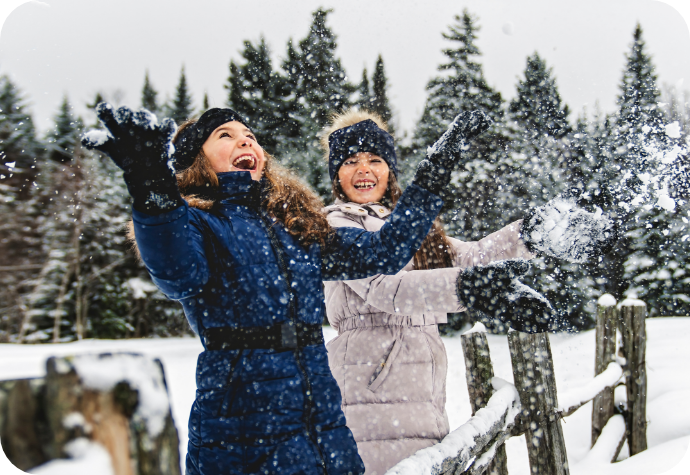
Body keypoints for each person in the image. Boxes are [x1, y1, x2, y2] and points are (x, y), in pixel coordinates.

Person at [80, 103, 495, 475]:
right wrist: (150, 184)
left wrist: (436, 170)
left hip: (323, 424)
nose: (245, 141)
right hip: (243, 425)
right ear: (196, 161)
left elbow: (385, 251)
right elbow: (176, 270)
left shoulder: (296, 228)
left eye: (250, 136)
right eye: (225, 136)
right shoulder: (195, 223)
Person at [320, 109, 619, 475]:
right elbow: (387, 290)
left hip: (420, 381)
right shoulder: (335, 225)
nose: (364, 169)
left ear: (390, 170)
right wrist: (473, 290)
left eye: (374, 159)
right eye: (351, 161)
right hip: (367, 382)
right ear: (337, 174)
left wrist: (530, 233)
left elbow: (471, 257)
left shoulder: (411, 230)